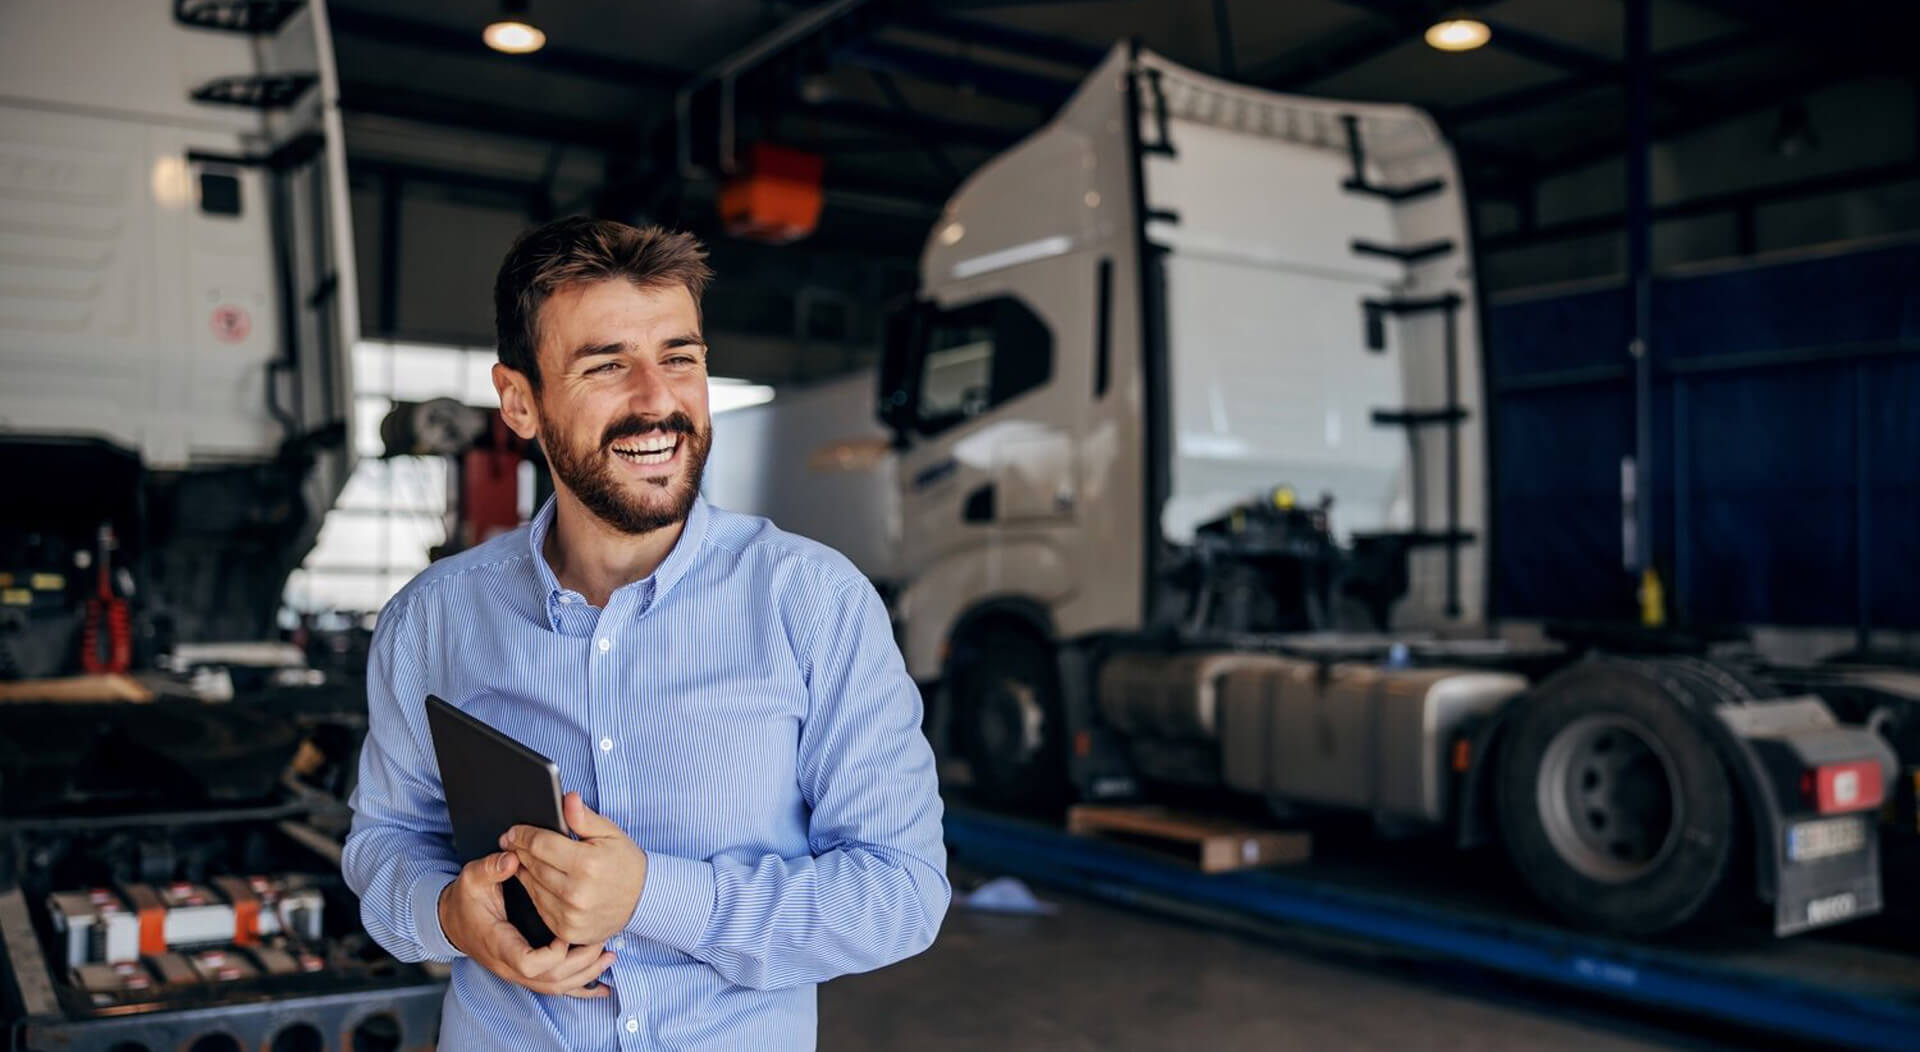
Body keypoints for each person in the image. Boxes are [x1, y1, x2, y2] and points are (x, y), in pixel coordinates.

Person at [341, 216, 949, 1050]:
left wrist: (651, 897)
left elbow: (902, 893)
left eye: (680, 359)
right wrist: (449, 914)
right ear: (519, 401)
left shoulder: (812, 603)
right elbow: (385, 841)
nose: (657, 401)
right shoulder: (435, 620)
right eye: (605, 366)